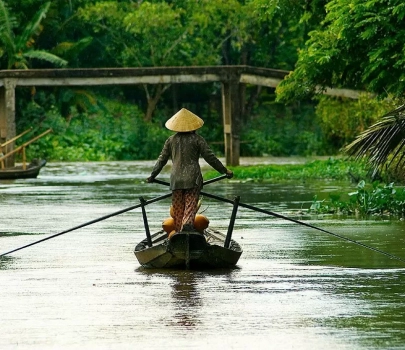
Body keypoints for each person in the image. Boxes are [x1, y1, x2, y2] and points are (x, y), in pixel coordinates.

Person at [147, 108, 233, 233]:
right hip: (193, 179)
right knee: (190, 206)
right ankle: (187, 226)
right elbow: (210, 158)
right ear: (194, 127)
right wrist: (225, 171)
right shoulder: (197, 139)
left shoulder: (170, 141)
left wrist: (152, 175)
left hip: (176, 180)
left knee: (178, 210)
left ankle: (178, 233)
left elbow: (162, 160)